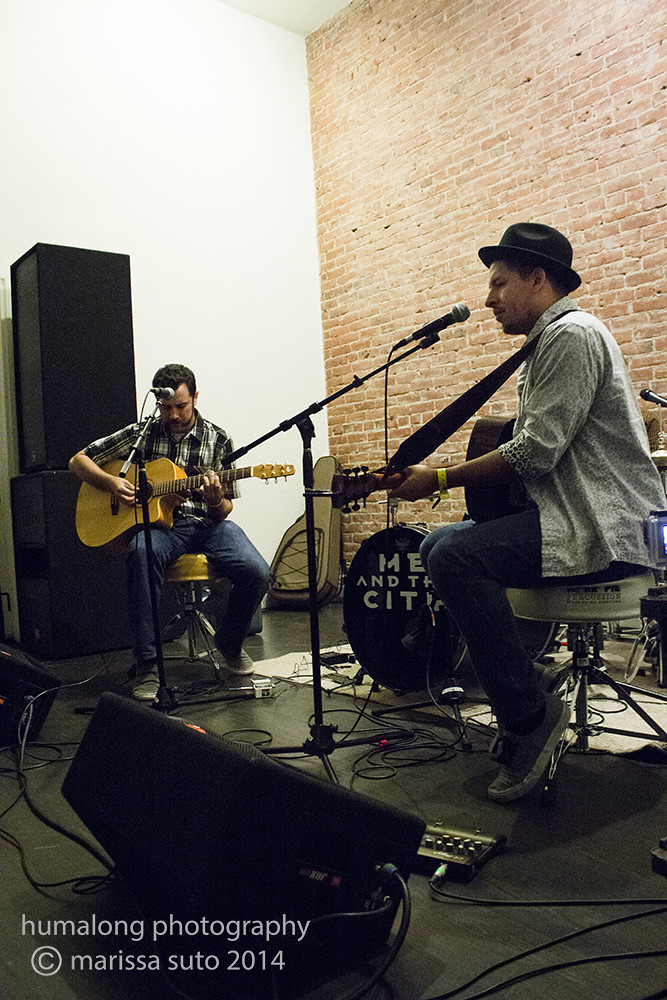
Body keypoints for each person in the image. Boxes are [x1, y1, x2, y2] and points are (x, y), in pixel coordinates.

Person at [389, 222, 665, 802]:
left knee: (457, 557)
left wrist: (438, 476)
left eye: (500, 283)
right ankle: (525, 680)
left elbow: (533, 453)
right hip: (569, 516)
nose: (489, 299)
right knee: (435, 546)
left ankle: (528, 717)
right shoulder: (551, 341)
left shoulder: (572, 336)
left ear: (538, 279)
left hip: (603, 530)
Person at [69, 363, 270, 701]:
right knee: (140, 552)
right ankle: (148, 663)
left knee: (257, 571)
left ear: (195, 397)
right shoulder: (142, 433)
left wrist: (216, 499)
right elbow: (78, 461)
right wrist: (113, 483)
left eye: (182, 406)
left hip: (207, 524)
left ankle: (230, 643)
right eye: (167, 407)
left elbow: (226, 509)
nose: (174, 415)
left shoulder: (218, 439)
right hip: (162, 528)